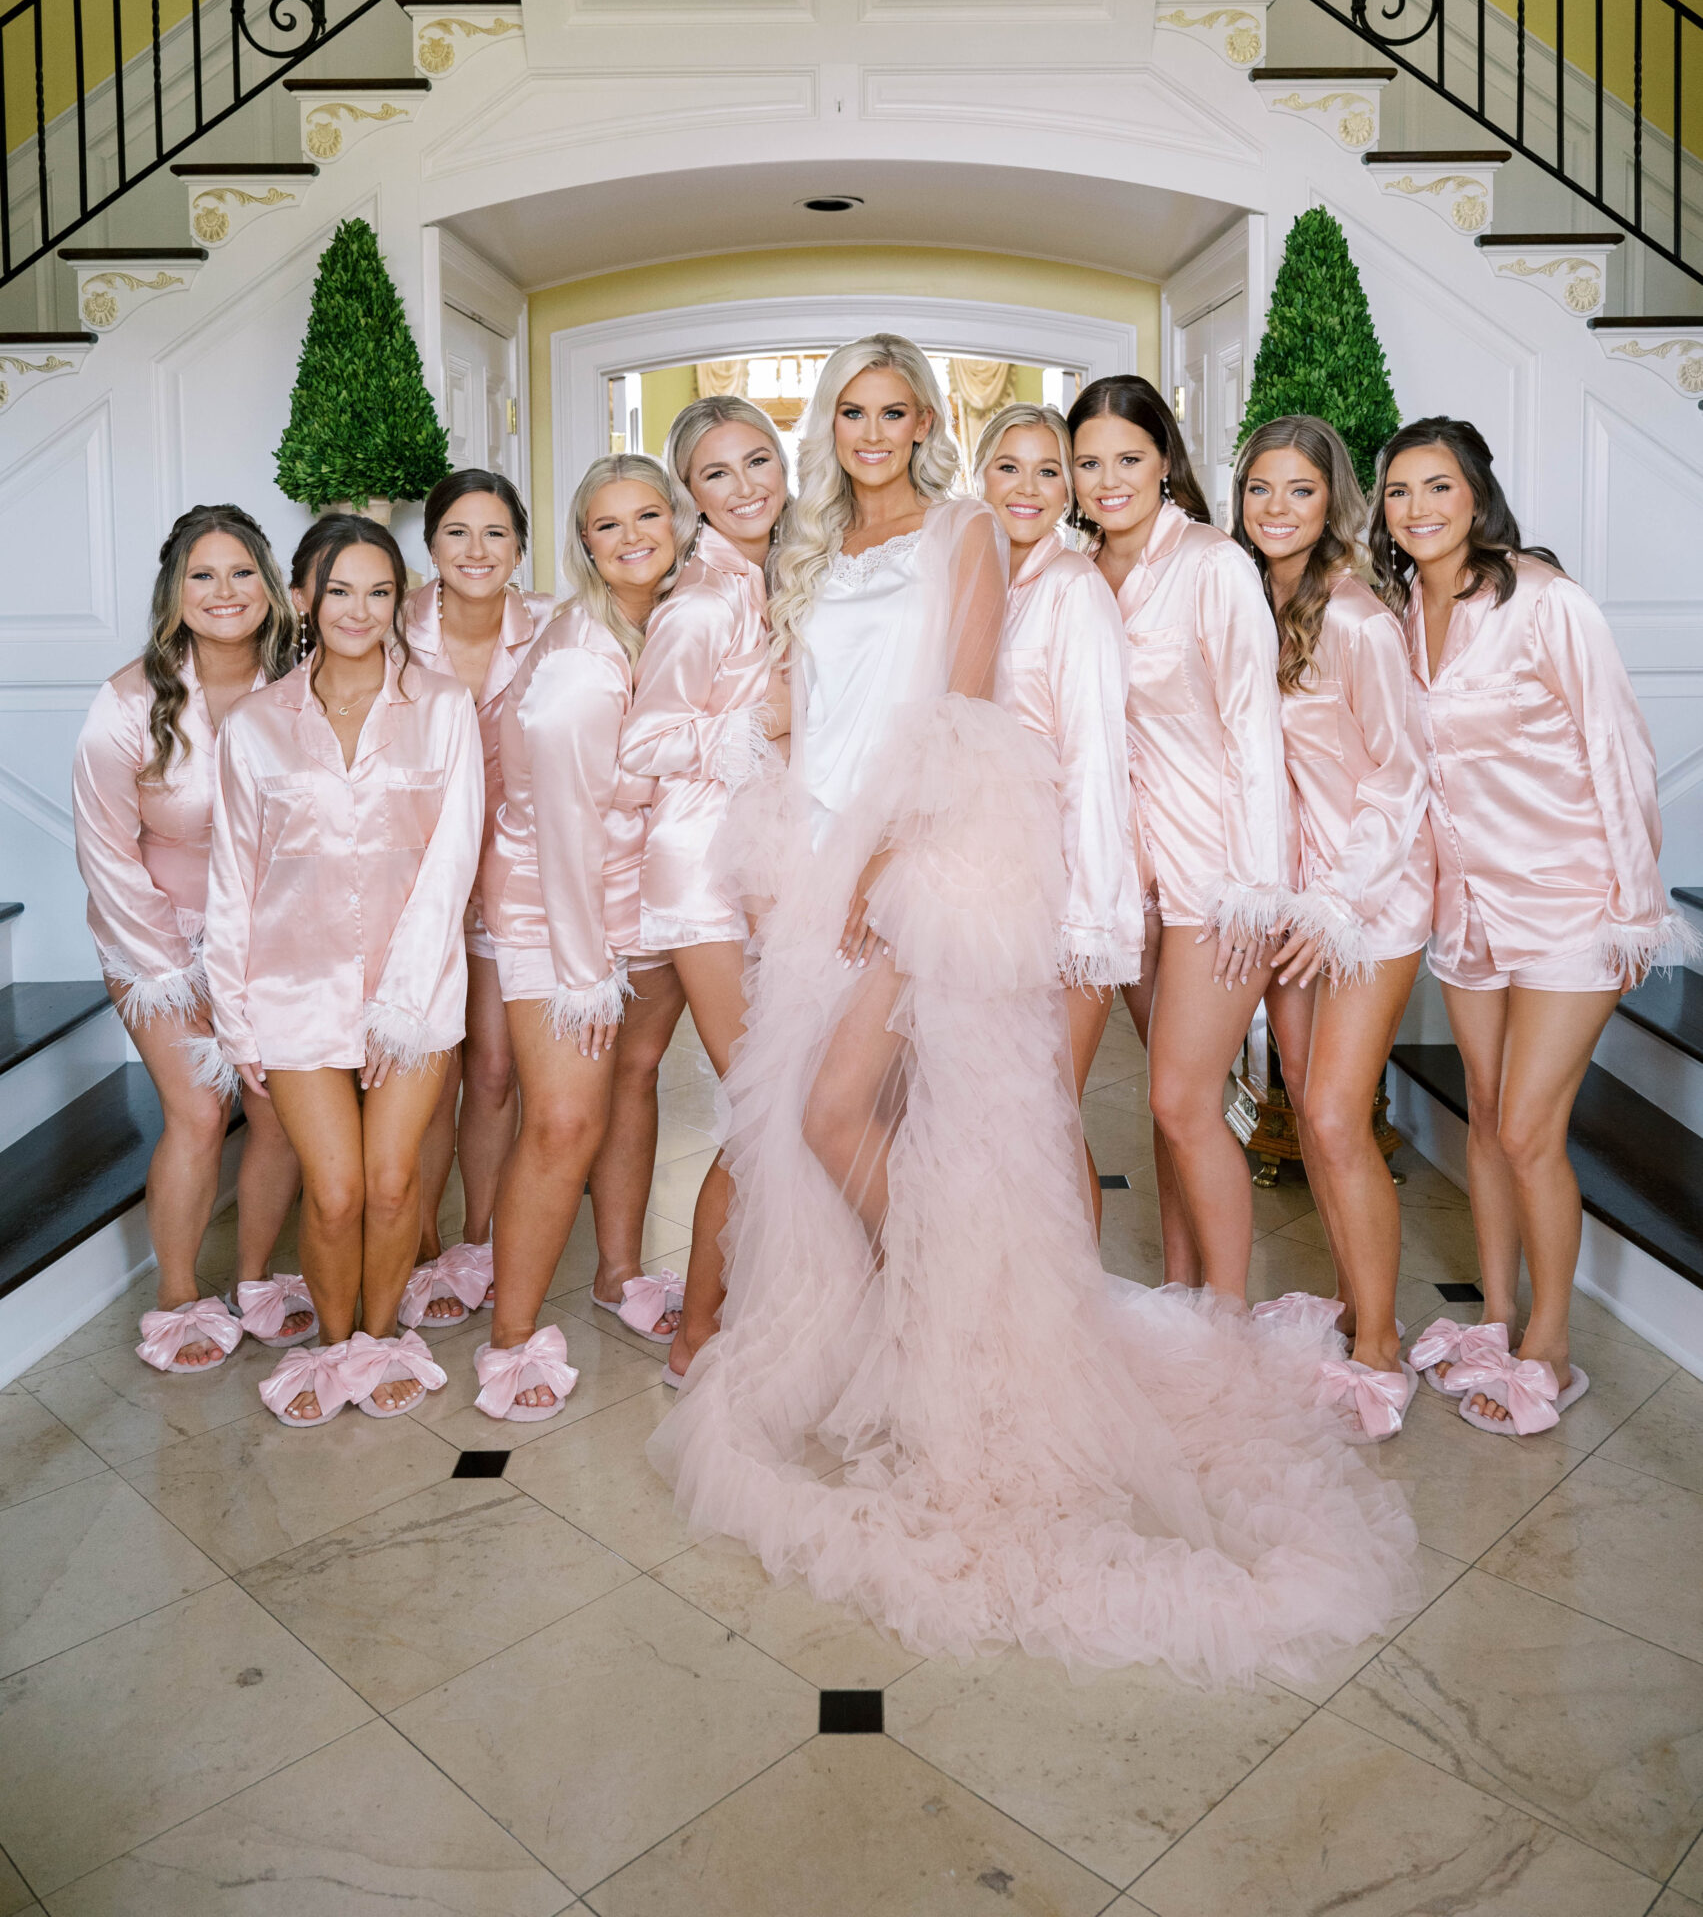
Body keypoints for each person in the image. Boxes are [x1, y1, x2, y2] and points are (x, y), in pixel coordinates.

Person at [651, 335, 1416, 1686]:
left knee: (845, 1111)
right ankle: (931, 1314)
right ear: (825, 425)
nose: (872, 429)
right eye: (852, 410)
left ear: (922, 424)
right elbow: (807, 706)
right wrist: (789, 830)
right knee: (841, 1116)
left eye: (896, 410)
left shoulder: (964, 537)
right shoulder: (807, 550)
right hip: (817, 855)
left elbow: (952, 711)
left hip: (911, 859)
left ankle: (971, 1323)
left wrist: (881, 866)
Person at [1375, 418, 1696, 1437]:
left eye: (1437, 486)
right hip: (1466, 906)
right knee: (1482, 1106)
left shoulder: (1543, 601)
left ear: (1476, 495)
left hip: (1569, 901)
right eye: (1396, 492)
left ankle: (1550, 1346)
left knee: (1525, 1127)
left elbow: (1616, 747)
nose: (1417, 508)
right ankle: (1499, 1316)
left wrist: (1634, 904)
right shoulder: (1392, 613)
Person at [200, 514, 482, 1426]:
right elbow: (233, 879)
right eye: (339, 591)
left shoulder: (441, 708)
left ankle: (378, 1338)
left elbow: (452, 860)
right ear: (302, 600)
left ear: (400, 601)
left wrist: (403, 1002)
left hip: (415, 990)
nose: (359, 611)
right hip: (291, 992)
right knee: (336, 1190)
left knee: (396, 1181)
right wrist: (236, 1022)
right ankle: (332, 1347)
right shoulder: (253, 726)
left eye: (380, 591)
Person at [472, 456, 692, 1422]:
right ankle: (511, 1337)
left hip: (644, 896)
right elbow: (560, 828)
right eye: (608, 525)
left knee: (634, 1078)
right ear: (584, 544)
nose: (633, 536)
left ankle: (618, 1273)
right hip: (555, 912)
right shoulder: (572, 665)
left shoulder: (676, 623)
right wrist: (581, 974)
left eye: (649, 514)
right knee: (562, 1120)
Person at [1233, 418, 1436, 1436]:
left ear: (1331, 504)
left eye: (1298, 491)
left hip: (1366, 898)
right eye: (1259, 488)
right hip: (1291, 897)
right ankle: (1357, 1304)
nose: (1274, 508)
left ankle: (1379, 1344)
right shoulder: (1246, 601)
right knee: (1308, 1114)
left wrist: (1337, 902)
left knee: (1328, 1116)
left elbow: (1399, 782)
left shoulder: (1355, 618)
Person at [1070, 375, 1293, 1302]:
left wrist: (1260, 882)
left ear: (1166, 461)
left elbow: (1254, 727)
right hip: (1124, 877)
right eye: (1088, 463)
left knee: (1180, 1100)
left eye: (1128, 458)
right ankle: (1178, 1294)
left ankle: (1228, 1319)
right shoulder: (1071, 570)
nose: (1107, 480)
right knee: (1171, 1109)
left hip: (1215, 877)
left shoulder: (1212, 564)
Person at [72, 504, 308, 1375]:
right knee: (203, 1110)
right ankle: (176, 1293)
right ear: (175, 593)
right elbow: (104, 848)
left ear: (270, 586)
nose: (224, 592)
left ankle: (253, 1278)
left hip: (276, 935)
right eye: (202, 576)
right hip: (155, 937)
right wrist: (179, 969)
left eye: (242, 572)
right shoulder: (128, 701)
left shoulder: (308, 681)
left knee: (283, 1113)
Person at [608, 396, 791, 1381]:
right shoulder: (700, 603)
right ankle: (700, 1329)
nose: (744, 486)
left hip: (766, 865)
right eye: (716, 473)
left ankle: (760, 1303)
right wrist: (745, 731)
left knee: (788, 1096)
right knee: (767, 1103)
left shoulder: (781, 578)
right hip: (699, 873)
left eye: (756, 460)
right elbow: (638, 743)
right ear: (689, 495)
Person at [974, 401, 1146, 1225]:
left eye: (1049, 470)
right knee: (991, 1119)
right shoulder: (974, 581)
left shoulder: (1074, 588)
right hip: (980, 889)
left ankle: (1069, 1310)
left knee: (1046, 1115)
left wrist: (1086, 919)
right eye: (1010, 466)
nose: (1029, 487)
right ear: (980, 475)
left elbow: (1096, 764)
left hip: (1058, 889)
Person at [399, 471, 551, 1330]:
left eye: (495, 534)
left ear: (519, 549)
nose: (476, 552)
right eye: (457, 533)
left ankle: (479, 1239)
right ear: (431, 547)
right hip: (411, 885)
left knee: (493, 1070)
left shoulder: (556, 633)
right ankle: (417, 1248)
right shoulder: (388, 629)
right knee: (428, 1071)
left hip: (510, 881)